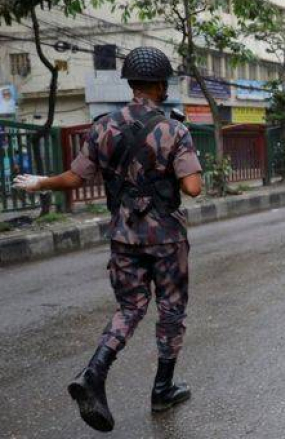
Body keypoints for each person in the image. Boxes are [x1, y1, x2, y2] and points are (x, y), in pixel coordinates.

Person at [13, 46, 202, 432]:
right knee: (170, 311)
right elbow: (194, 188)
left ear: (131, 83)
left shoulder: (102, 126)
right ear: (161, 85)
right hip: (165, 238)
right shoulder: (174, 129)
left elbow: (74, 177)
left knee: (130, 308)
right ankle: (162, 389)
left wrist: (40, 183)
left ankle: (94, 372)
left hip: (123, 236)